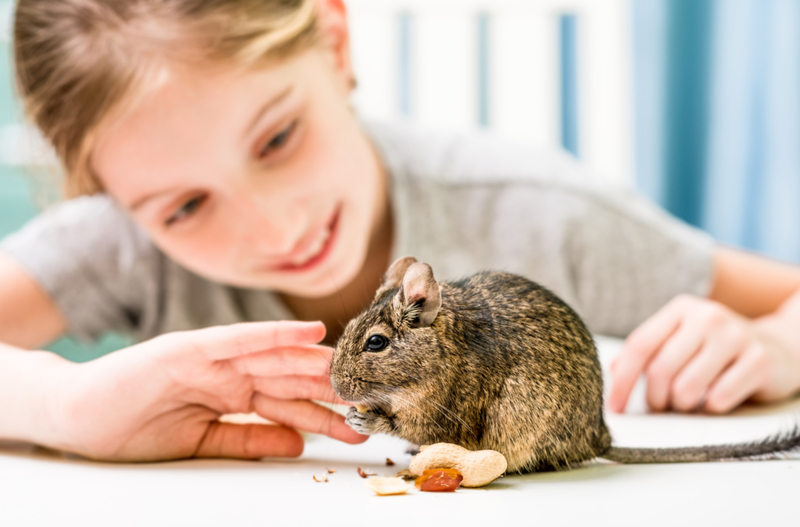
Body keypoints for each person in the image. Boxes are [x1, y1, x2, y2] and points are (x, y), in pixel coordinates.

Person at [2, 0, 800, 463]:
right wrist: (63, 403)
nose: (278, 226)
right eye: (184, 206)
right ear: (110, 199)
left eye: (278, 139)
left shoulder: (532, 208)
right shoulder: (111, 243)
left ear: (337, 43)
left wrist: (778, 344)